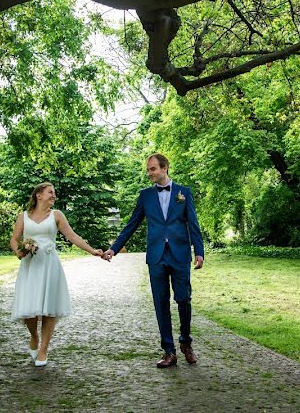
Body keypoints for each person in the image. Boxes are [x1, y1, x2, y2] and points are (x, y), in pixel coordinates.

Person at [102, 153, 205, 368]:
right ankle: (169, 351)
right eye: (148, 169)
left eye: (153, 169)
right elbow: (132, 224)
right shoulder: (145, 196)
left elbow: (193, 224)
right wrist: (114, 248)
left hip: (180, 254)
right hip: (156, 256)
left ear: (165, 168)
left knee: (184, 299)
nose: (149, 173)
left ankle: (186, 342)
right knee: (160, 302)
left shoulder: (183, 193)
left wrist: (199, 251)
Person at [10, 182, 103, 366]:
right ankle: (34, 336)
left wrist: (92, 251)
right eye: (50, 192)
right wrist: (19, 251)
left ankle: (43, 349)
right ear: (38, 195)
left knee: (49, 308)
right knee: (29, 310)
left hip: (49, 265)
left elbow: (73, 236)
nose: (54, 195)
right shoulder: (23, 217)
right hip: (30, 266)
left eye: (54, 193)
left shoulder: (57, 215)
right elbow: (14, 239)